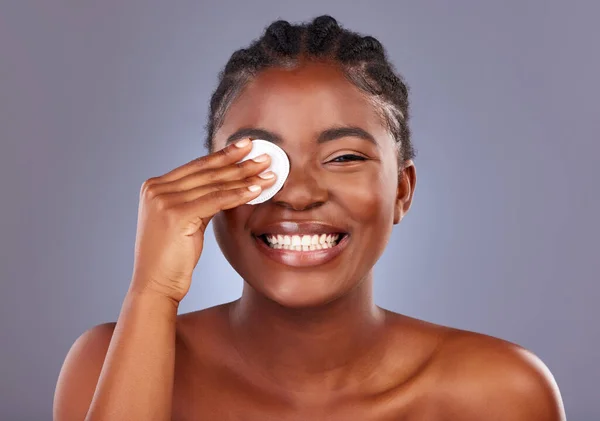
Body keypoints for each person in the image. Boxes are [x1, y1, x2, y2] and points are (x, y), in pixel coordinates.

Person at [53, 15, 566, 421]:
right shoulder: (105, 364)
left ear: (402, 192)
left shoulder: (500, 392)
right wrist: (153, 291)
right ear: (202, 182)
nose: (297, 194)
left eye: (344, 157)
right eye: (258, 160)